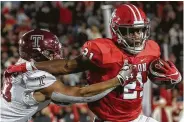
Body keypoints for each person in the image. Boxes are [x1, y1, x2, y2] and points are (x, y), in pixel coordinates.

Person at [6, 4, 182, 122]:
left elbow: (152, 75)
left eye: (140, 31)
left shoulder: (152, 49)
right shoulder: (102, 50)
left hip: (137, 117)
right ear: (116, 31)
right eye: (130, 31)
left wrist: (168, 79)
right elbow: (68, 66)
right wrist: (30, 66)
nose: (137, 36)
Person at [0, 29, 133, 122]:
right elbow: (82, 94)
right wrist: (118, 79)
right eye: (51, 53)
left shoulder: (20, 67)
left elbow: (60, 97)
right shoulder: (35, 76)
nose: (56, 57)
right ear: (37, 53)